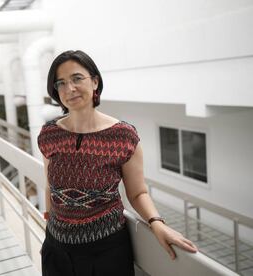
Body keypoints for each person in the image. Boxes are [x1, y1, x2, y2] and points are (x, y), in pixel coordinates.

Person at [37, 50, 198, 276]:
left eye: (77, 78)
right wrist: (48, 221)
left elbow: (138, 192)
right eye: (61, 83)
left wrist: (157, 223)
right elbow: (49, 185)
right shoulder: (49, 134)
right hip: (57, 250)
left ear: (95, 82)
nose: (69, 88)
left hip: (106, 253)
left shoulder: (123, 136)